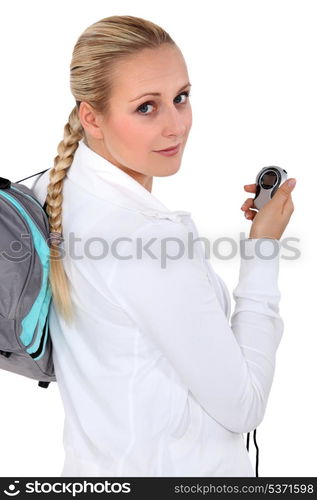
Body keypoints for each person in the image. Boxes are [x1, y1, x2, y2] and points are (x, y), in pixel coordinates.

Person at [32, 14, 296, 477]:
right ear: (91, 117)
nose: (176, 126)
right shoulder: (146, 242)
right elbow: (244, 406)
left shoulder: (52, 192)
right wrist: (263, 250)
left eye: (181, 98)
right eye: (146, 107)